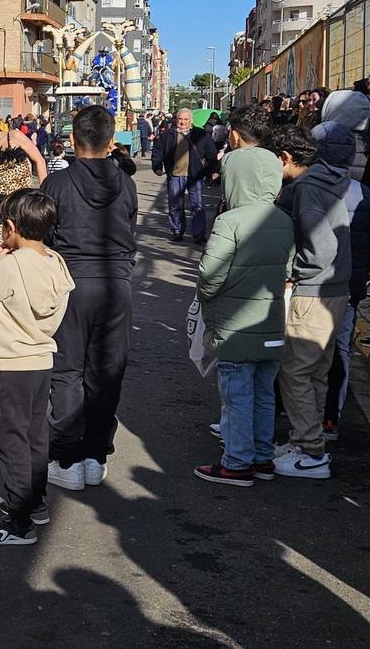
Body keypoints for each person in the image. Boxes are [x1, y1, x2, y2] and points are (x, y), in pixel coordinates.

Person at [0, 189, 73, 544]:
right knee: (35, 434)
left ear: (10, 227)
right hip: (41, 358)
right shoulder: (55, 262)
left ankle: (18, 519)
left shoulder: (9, 266)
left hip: (10, 362)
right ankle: (37, 501)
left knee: (11, 438)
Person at [42, 106, 137, 492]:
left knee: (68, 371)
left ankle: (66, 457)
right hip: (117, 285)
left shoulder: (57, 184)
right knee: (106, 372)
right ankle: (95, 455)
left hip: (72, 283)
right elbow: (132, 232)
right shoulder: (126, 183)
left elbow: (44, 240)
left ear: (72, 141)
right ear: (111, 141)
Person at [192, 147, 294, 487]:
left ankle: (236, 462)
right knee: (264, 393)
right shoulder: (283, 220)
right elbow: (291, 268)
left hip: (235, 324)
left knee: (236, 395)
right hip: (271, 322)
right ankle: (263, 457)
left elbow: (210, 273)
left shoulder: (230, 221)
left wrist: (206, 299)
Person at [269, 126, 350, 480]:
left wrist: (295, 274)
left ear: (286, 158)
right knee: (316, 372)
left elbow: (319, 248)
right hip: (336, 290)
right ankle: (308, 441)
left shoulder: (306, 188)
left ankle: (309, 450)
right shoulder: (330, 180)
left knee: (295, 371)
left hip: (313, 290)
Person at [313, 123, 370, 440]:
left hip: (316, 284)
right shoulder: (364, 194)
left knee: (305, 351)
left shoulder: (312, 188)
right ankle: (331, 418)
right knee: (341, 350)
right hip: (350, 286)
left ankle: (303, 417)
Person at [0, 119, 47, 264]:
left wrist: (44, 194)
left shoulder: (14, 135)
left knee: (20, 248)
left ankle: (18, 281)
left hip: (21, 203)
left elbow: (39, 160)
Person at [151, 108, 218, 244]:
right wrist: (157, 167)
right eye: (180, 119)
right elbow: (158, 151)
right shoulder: (167, 135)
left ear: (191, 120)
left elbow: (211, 153)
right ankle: (177, 231)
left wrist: (214, 169)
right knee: (175, 205)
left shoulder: (201, 134)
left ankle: (198, 234)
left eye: (186, 119)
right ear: (176, 119)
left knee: (197, 205)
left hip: (195, 174)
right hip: (175, 174)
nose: (182, 122)